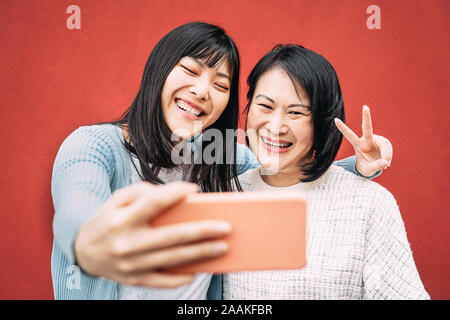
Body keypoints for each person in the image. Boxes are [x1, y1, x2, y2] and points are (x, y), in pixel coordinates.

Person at [51, 23, 392, 300]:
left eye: (220, 84)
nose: (202, 91)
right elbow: (77, 204)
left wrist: (362, 167)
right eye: (190, 70)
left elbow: (285, 175)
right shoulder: (95, 145)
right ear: (159, 69)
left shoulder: (220, 157)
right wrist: (89, 241)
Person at [222, 44, 429, 300]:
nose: (275, 127)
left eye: (296, 112)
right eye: (265, 106)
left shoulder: (370, 204)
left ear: (321, 121)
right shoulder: (225, 195)